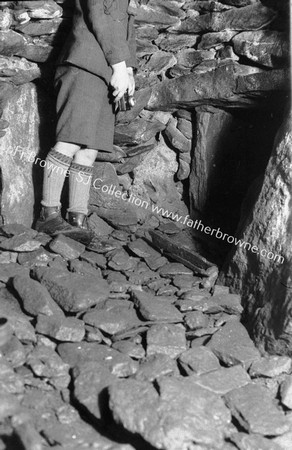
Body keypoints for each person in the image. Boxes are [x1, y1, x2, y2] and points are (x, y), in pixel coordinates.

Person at [35, 0, 137, 238]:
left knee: (88, 151)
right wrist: (119, 67)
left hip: (107, 73)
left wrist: (129, 71)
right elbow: (99, 16)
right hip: (85, 66)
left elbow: (126, 28)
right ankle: (47, 215)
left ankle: (77, 219)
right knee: (70, 141)